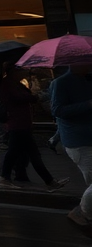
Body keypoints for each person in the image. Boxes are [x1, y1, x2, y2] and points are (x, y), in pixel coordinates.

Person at [0, 63, 66, 191]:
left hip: (23, 123)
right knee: (15, 152)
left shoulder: (16, 84)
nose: (24, 73)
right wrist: (34, 97)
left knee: (32, 154)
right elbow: (18, 98)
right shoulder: (7, 85)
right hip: (16, 124)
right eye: (21, 71)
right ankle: (4, 177)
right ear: (13, 72)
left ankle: (49, 181)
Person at [50, 63, 92, 230]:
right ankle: (81, 212)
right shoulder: (61, 83)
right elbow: (57, 110)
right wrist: (88, 104)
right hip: (78, 141)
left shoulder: (88, 80)